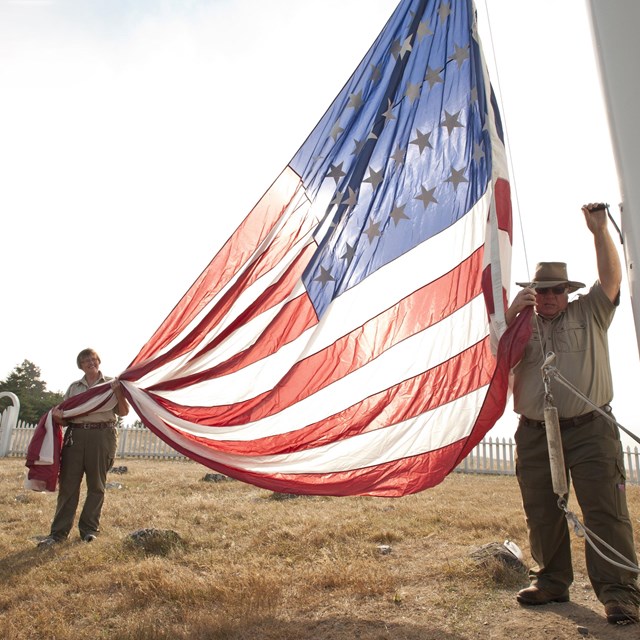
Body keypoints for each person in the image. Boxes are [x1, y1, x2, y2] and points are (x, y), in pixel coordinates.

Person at [505, 203, 639, 625]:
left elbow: (611, 279)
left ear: (568, 292)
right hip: (534, 432)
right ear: (532, 293)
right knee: (541, 509)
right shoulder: (519, 325)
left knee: (604, 511)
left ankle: (620, 594)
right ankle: (550, 580)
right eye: (542, 291)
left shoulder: (590, 311)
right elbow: (493, 357)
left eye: (556, 290)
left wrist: (599, 231)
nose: (548, 297)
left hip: (591, 428)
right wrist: (511, 314)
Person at [38, 348, 129, 545]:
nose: (90, 363)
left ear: (99, 361)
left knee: (96, 485)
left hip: (102, 435)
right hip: (76, 436)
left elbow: (123, 412)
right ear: (80, 365)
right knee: (68, 486)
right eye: (86, 360)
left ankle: (89, 530)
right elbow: (66, 418)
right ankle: (58, 533)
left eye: (93, 359)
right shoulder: (74, 388)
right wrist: (57, 418)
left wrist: (118, 393)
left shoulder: (111, 384)